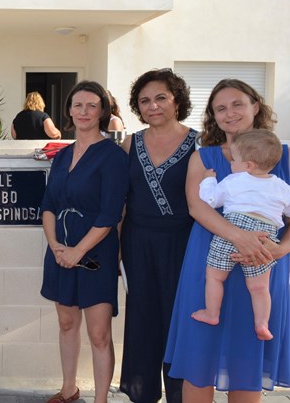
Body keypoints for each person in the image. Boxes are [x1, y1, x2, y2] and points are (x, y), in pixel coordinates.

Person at [165, 79, 290, 403]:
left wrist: (281, 249)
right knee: (199, 357)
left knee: (247, 355)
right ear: (213, 116)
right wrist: (241, 238)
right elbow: (197, 206)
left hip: (263, 265)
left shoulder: (284, 156)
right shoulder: (204, 157)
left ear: (255, 107)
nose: (229, 113)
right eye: (220, 108)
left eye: (237, 104)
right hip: (208, 264)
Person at [40, 80, 128, 403]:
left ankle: (101, 399)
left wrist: (78, 251)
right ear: (69, 111)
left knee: (99, 334)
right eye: (78, 105)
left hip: (95, 255)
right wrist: (55, 246)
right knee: (66, 323)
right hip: (61, 252)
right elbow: (48, 205)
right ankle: (68, 390)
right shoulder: (61, 157)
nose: (84, 111)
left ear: (102, 111)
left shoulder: (113, 157)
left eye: (92, 105)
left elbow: (109, 214)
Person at [119, 68, 196, 403]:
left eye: (160, 97)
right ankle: (142, 394)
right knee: (142, 319)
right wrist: (116, 248)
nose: (153, 106)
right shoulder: (129, 143)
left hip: (184, 244)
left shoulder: (200, 142)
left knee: (180, 321)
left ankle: (181, 395)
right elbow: (120, 200)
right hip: (137, 241)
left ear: (176, 100)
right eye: (144, 100)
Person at [191, 130, 290, 342]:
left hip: (232, 230)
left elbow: (209, 199)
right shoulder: (282, 187)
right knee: (260, 287)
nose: (231, 164)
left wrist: (209, 179)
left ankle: (212, 313)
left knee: (215, 276)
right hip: (264, 237)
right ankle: (262, 323)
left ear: (249, 165)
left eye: (234, 160)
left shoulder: (234, 181)